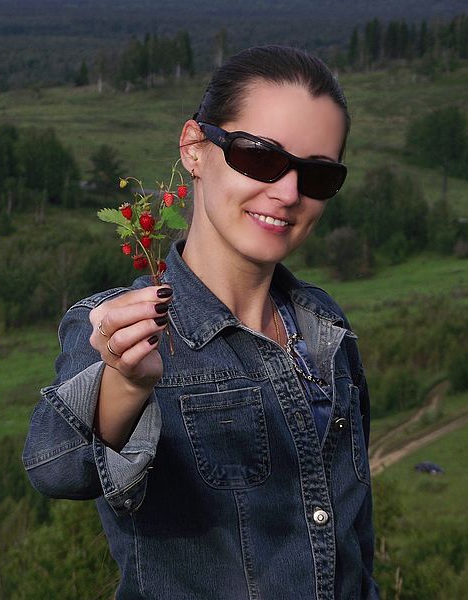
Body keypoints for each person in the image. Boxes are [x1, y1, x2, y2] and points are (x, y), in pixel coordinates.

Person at [23, 44, 379, 599]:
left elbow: (355, 540)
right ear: (194, 147)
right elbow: (58, 468)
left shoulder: (324, 326)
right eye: (260, 157)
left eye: (317, 176)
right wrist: (126, 382)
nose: (287, 193)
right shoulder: (118, 329)